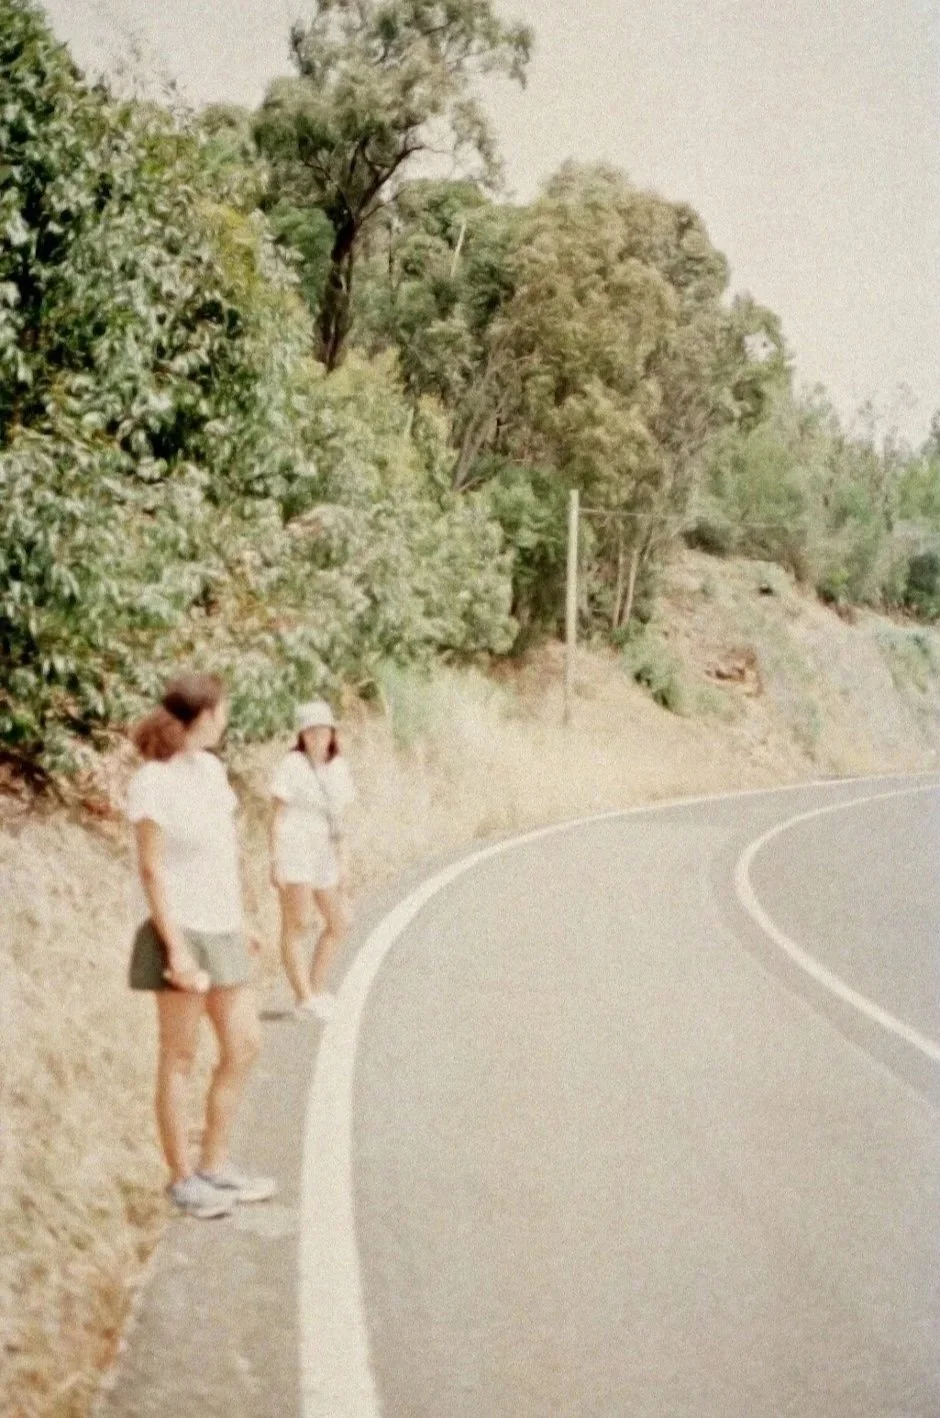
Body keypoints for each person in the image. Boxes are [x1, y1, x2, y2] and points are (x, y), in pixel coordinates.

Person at [127, 673, 276, 1220]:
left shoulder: (211, 771)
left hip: (221, 927)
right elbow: (152, 869)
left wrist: (240, 921)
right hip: (180, 931)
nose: (227, 718)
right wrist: (177, 948)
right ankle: (182, 1178)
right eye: (223, 710)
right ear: (203, 716)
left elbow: (221, 855)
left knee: (244, 1044)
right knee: (180, 1056)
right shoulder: (152, 782)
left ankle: (215, 1163)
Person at [269, 700, 355, 1019]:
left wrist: (344, 860)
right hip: (296, 846)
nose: (317, 738)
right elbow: (276, 816)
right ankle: (304, 997)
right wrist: (275, 860)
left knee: (340, 921)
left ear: (332, 733)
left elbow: (341, 820)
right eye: (310, 732)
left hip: (325, 849)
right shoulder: (291, 766)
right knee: (298, 922)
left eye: (323, 731)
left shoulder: (338, 767)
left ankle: (316, 989)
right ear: (302, 736)